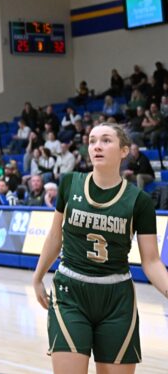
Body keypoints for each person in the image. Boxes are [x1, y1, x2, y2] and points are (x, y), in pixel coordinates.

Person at [32, 123, 168, 373]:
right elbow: (54, 236)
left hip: (117, 298)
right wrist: (38, 276)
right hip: (70, 292)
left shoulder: (139, 201)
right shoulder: (70, 183)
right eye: (92, 140)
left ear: (124, 150)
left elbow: (151, 262)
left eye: (106, 140)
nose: (96, 146)